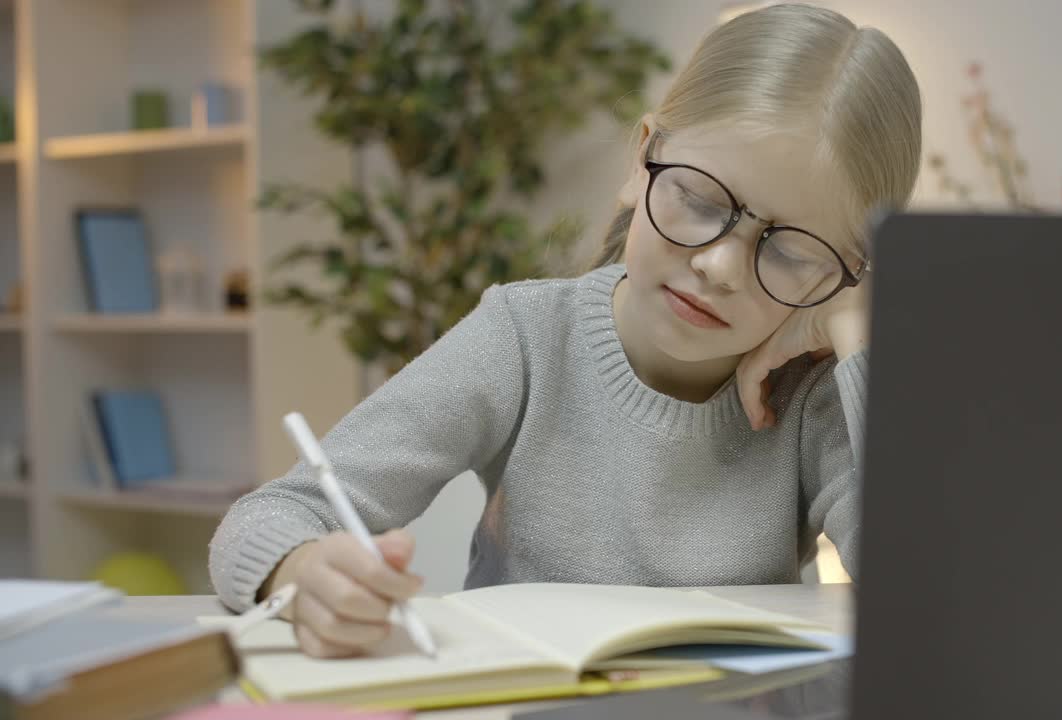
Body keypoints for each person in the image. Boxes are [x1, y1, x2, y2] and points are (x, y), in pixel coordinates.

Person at [209, 2, 922, 658]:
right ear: (641, 158)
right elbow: (270, 515)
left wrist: (858, 330)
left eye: (794, 252)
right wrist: (299, 571)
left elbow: (928, 592)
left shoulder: (814, 394)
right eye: (700, 200)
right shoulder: (526, 336)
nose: (720, 265)